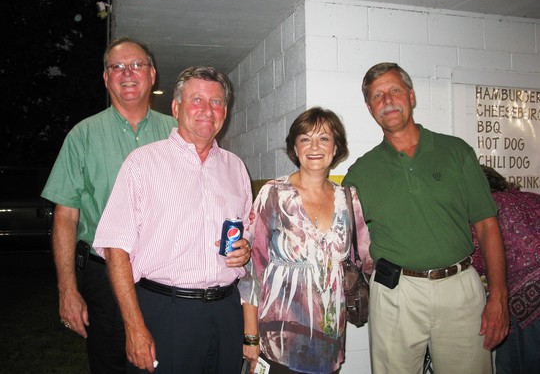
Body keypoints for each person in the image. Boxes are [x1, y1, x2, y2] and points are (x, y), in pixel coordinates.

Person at [342, 62, 509, 374]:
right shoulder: (360, 173)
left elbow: (487, 225)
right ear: (369, 108)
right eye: (377, 96)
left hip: (460, 288)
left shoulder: (456, 152)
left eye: (395, 90)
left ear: (411, 96)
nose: (387, 100)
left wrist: (499, 295)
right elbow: (338, 232)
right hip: (395, 293)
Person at [93, 65, 252, 373]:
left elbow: (246, 234)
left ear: (225, 112)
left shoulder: (236, 168)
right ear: (176, 108)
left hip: (226, 312)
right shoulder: (142, 163)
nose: (208, 110)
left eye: (217, 102)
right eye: (197, 100)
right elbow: (115, 250)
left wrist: (243, 249)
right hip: (165, 312)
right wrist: (134, 327)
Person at [41, 36, 177, 373]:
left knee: (168, 362)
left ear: (152, 75)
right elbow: (66, 216)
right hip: (104, 280)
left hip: (167, 276)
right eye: (117, 67)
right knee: (111, 364)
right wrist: (67, 290)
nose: (127, 73)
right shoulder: (83, 136)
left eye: (136, 65)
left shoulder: (177, 133)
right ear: (106, 78)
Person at [241, 107, 372, 374]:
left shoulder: (348, 199)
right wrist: (250, 337)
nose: (314, 147)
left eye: (323, 138)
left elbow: (366, 261)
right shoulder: (273, 194)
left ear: (335, 148)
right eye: (305, 138)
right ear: (295, 148)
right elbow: (252, 271)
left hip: (328, 342)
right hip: (277, 340)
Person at [471, 166, 540, 374]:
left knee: (514, 366)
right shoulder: (531, 197)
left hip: (529, 302)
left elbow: (475, 258)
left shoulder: (485, 213)